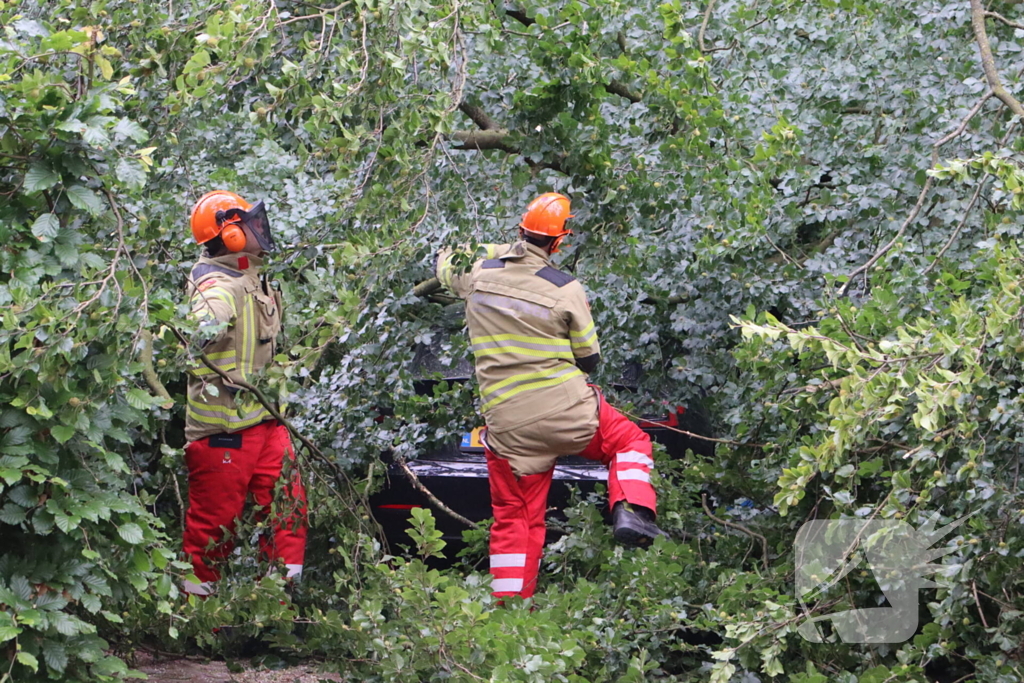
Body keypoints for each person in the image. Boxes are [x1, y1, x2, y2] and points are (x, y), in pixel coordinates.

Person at [435, 192, 667, 601]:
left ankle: (509, 610)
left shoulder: (476, 275)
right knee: (630, 441)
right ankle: (632, 510)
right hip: (567, 413)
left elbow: (446, 259)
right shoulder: (566, 289)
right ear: (560, 242)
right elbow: (589, 358)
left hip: (508, 427)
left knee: (514, 517)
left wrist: (504, 250)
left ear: (519, 230)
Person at [180, 190, 307, 596]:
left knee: (289, 510)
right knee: (212, 533)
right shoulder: (216, 283)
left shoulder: (249, 276)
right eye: (250, 224)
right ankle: (198, 622)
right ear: (231, 235)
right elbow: (206, 319)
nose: (260, 229)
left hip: (266, 421)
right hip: (224, 430)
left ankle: (279, 610)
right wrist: (207, 323)